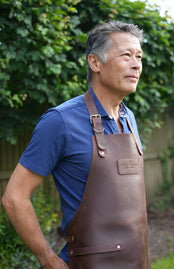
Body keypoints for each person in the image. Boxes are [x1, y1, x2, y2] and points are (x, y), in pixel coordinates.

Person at [2, 21, 151, 269]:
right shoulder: (59, 121)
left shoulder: (129, 118)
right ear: (95, 63)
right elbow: (14, 198)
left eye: (139, 56)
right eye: (126, 55)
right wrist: (48, 260)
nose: (136, 64)